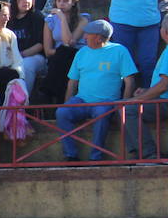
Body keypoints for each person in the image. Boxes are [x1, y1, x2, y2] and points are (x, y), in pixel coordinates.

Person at [56, 19, 136, 162]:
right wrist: (67, 103)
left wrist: (124, 103)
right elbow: (72, 82)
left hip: (107, 102)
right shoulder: (81, 53)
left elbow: (130, 81)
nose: (84, 37)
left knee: (101, 113)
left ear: (99, 38)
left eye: (88, 34)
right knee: (62, 112)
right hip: (82, 100)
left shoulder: (119, 51)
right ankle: (71, 155)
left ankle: (96, 157)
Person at [125, 13, 168, 160]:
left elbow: (163, 86)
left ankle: (148, 154)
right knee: (122, 107)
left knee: (126, 109)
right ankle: (139, 152)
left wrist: (138, 99)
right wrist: (147, 91)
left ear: (164, 31)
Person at [40, 0, 89, 104]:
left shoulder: (83, 20)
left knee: (65, 50)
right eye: (58, 0)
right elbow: (48, 51)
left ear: (73, 2)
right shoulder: (50, 20)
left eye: (66, 0)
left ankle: (48, 91)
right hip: (58, 58)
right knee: (62, 52)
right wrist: (61, 50)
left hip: (78, 55)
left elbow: (70, 42)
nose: (61, 4)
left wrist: (62, 19)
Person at [7, 0, 47, 95]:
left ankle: (22, 102)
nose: (26, 1)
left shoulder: (37, 17)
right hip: (13, 57)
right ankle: (2, 107)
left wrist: (20, 55)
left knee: (26, 65)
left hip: (35, 57)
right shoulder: (8, 18)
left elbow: (40, 45)